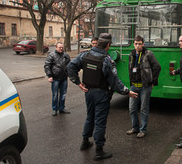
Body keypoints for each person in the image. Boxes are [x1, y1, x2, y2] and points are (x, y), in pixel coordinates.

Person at [67, 33, 138, 161]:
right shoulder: (107, 60)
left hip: (88, 92)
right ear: (108, 45)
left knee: (90, 116)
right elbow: (115, 82)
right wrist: (127, 92)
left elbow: (70, 67)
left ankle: (85, 141)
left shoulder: (85, 55)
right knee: (100, 121)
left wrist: (78, 83)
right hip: (101, 94)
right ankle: (99, 151)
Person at [127, 35, 161, 138]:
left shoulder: (148, 54)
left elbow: (157, 67)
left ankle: (143, 130)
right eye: (136, 44)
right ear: (133, 44)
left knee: (143, 109)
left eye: (140, 44)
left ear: (143, 44)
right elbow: (130, 68)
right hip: (134, 86)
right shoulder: (131, 54)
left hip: (145, 86)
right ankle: (135, 128)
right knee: (132, 108)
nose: (138, 46)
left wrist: (153, 81)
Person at [44, 42, 71, 116]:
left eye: (62, 47)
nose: (61, 48)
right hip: (55, 78)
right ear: (56, 47)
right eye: (59, 47)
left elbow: (69, 65)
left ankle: (61, 108)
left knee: (63, 94)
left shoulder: (66, 56)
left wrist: (69, 73)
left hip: (64, 78)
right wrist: (49, 76)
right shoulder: (51, 55)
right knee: (55, 95)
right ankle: (54, 109)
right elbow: (47, 66)